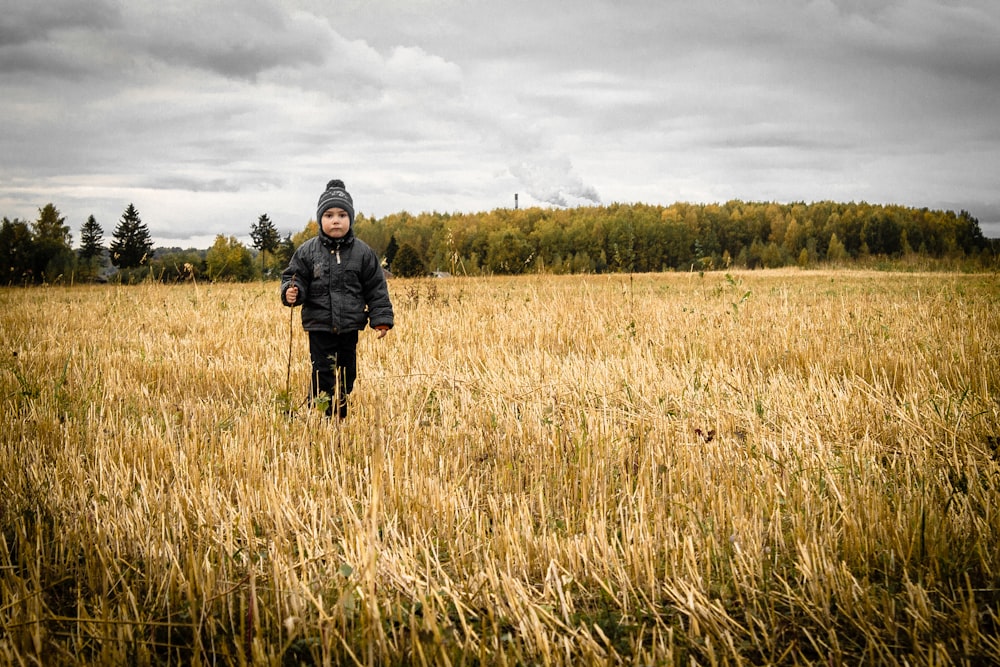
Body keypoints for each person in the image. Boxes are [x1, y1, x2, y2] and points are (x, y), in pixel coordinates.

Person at [281, 179, 394, 419]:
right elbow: (293, 277)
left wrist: (381, 318)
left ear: (350, 219)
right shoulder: (307, 251)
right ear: (320, 219)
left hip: (349, 325)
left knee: (346, 373)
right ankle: (325, 412)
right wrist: (292, 292)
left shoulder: (363, 253)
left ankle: (337, 403)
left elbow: (376, 287)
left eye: (342, 214)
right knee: (323, 370)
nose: (336, 220)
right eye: (329, 215)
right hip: (319, 324)